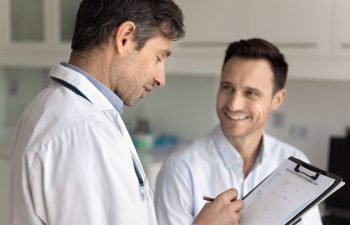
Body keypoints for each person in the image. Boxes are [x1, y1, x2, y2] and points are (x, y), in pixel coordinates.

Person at [10, 0, 243, 225]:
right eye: (158, 57)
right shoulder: (84, 135)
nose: (161, 78)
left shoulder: (50, 107)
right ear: (124, 38)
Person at [155, 38, 323, 225]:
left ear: (277, 99)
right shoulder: (181, 170)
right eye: (227, 88)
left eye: (250, 93)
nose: (234, 105)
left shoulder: (295, 165)